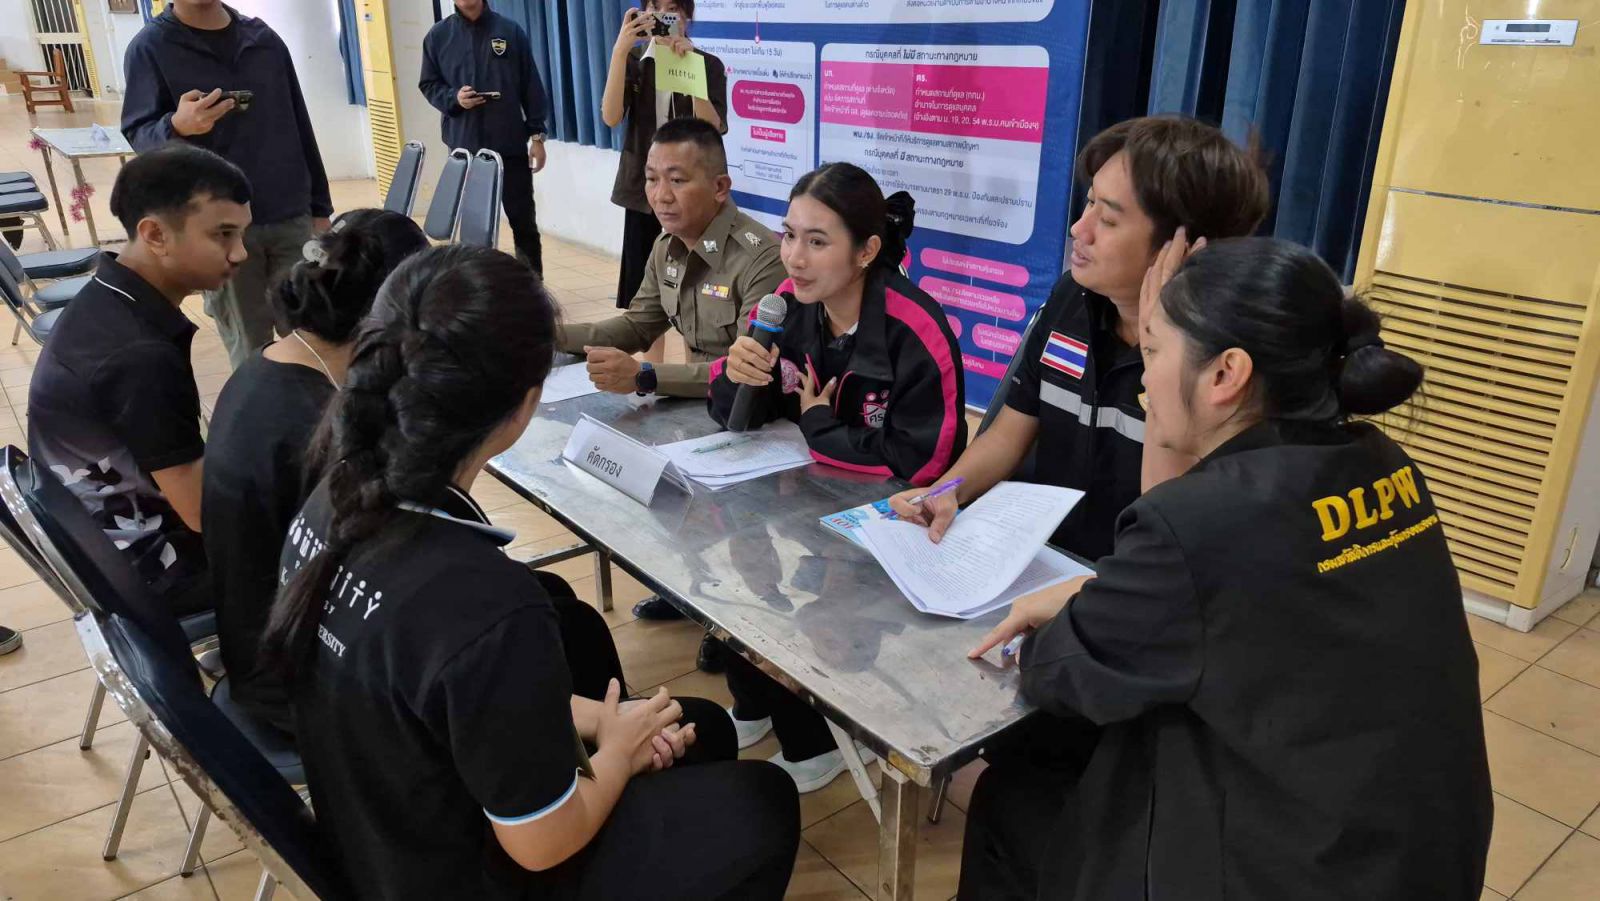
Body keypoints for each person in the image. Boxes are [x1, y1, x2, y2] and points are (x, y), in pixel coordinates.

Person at [958, 237, 1493, 900]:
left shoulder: (1203, 518)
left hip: (1299, 870)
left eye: (1154, 352)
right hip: (1419, 854)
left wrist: (1074, 612)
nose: (1144, 381)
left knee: (1014, 800)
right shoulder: (1384, 462)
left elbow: (1061, 674)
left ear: (1226, 374)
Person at [260, 245, 799, 900]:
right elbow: (541, 843)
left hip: (379, 824)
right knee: (761, 802)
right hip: (464, 869)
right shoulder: (487, 602)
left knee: (701, 726)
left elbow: (441, 687)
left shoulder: (335, 492)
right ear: (526, 402)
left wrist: (600, 722)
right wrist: (618, 755)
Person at [889, 116, 1270, 561]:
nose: (1079, 230)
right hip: (1049, 560)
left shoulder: (1222, 363)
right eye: (1089, 203)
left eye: (1107, 219)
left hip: (1139, 575)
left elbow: (1177, 523)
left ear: (1182, 247)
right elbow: (1010, 431)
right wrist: (946, 491)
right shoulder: (1072, 296)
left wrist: (1159, 338)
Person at [709, 164, 966, 792]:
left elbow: (923, 463)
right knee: (743, 586)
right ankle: (758, 701)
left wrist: (819, 426)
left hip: (896, 530)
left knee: (818, 621)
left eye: (817, 241)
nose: (794, 258)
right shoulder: (788, 307)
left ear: (867, 251)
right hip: (811, 507)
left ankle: (822, 740)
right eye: (789, 235)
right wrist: (736, 378)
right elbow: (748, 416)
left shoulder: (914, 327)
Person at [202, 209, 428, 735]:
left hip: (260, 651)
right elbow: (397, 578)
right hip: (302, 686)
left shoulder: (265, 366)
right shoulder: (323, 425)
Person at [561, 116, 784, 625]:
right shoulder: (667, 247)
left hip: (756, 418)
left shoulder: (760, 258)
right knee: (665, 499)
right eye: (652, 178)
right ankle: (688, 588)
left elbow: (742, 374)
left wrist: (645, 378)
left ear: (720, 187)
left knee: (748, 534)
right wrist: (547, 333)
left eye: (678, 180)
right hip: (694, 411)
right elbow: (635, 326)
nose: (661, 195)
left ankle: (755, 618)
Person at [29, 143, 251, 616]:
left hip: (101, 540)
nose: (240, 253)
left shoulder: (107, 297)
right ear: (155, 234)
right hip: (150, 568)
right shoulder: (139, 356)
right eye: (223, 235)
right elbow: (201, 513)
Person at [122, 0, 333, 370]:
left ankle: (316, 408)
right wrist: (176, 127)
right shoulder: (151, 47)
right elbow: (139, 133)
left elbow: (299, 123)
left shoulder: (264, 40)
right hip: (216, 229)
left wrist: (320, 207)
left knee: (311, 338)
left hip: (289, 213)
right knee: (249, 345)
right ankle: (261, 408)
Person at [601, 0, 728, 342]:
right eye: (655, 8)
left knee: (698, 294)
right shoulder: (636, 61)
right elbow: (611, 116)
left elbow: (713, 129)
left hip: (694, 190)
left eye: (673, 8)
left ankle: (693, 367)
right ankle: (648, 370)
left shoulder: (708, 65)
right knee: (644, 296)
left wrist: (691, 70)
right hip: (645, 190)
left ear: (687, 14)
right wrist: (619, 51)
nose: (664, 16)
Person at [420, 0, 550, 274]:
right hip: (465, 149)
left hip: (509, 146)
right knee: (474, 229)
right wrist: (454, 98)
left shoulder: (510, 31)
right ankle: (477, 286)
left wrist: (537, 135)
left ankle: (531, 285)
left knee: (524, 223)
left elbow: (531, 85)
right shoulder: (438, 36)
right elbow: (428, 84)